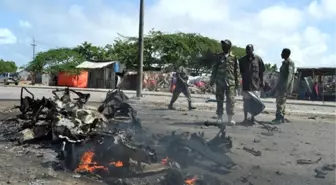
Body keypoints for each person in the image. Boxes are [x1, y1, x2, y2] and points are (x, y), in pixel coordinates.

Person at [210, 39, 239, 125]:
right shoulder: (218, 56)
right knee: (219, 100)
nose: (223, 46)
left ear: (229, 46)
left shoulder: (234, 57)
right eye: (222, 45)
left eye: (225, 45)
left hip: (230, 82)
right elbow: (214, 69)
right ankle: (219, 118)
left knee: (230, 100)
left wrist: (238, 83)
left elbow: (236, 71)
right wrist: (212, 80)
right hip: (220, 81)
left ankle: (230, 119)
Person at [239, 44, 265, 124]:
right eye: (247, 50)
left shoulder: (258, 59)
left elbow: (261, 71)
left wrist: (262, 81)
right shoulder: (242, 60)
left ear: (253, 50)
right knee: (246, 103)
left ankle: (252, 119)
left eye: (249, 49)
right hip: (246, 85)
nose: (248, 51)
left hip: (255, 85)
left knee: (255, 103)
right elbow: (239, 71)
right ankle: (245, 119)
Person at [272, 48, 295, 124]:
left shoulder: (289, 63)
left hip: (283, 87)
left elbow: (289, 76)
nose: (281, 54)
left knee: (280, 103)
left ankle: (279, 118)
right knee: (281, 102)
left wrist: (285, 87)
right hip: (281, 85)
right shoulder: (284, 63)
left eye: (282, 53)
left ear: (286, 54)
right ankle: (280, 118)